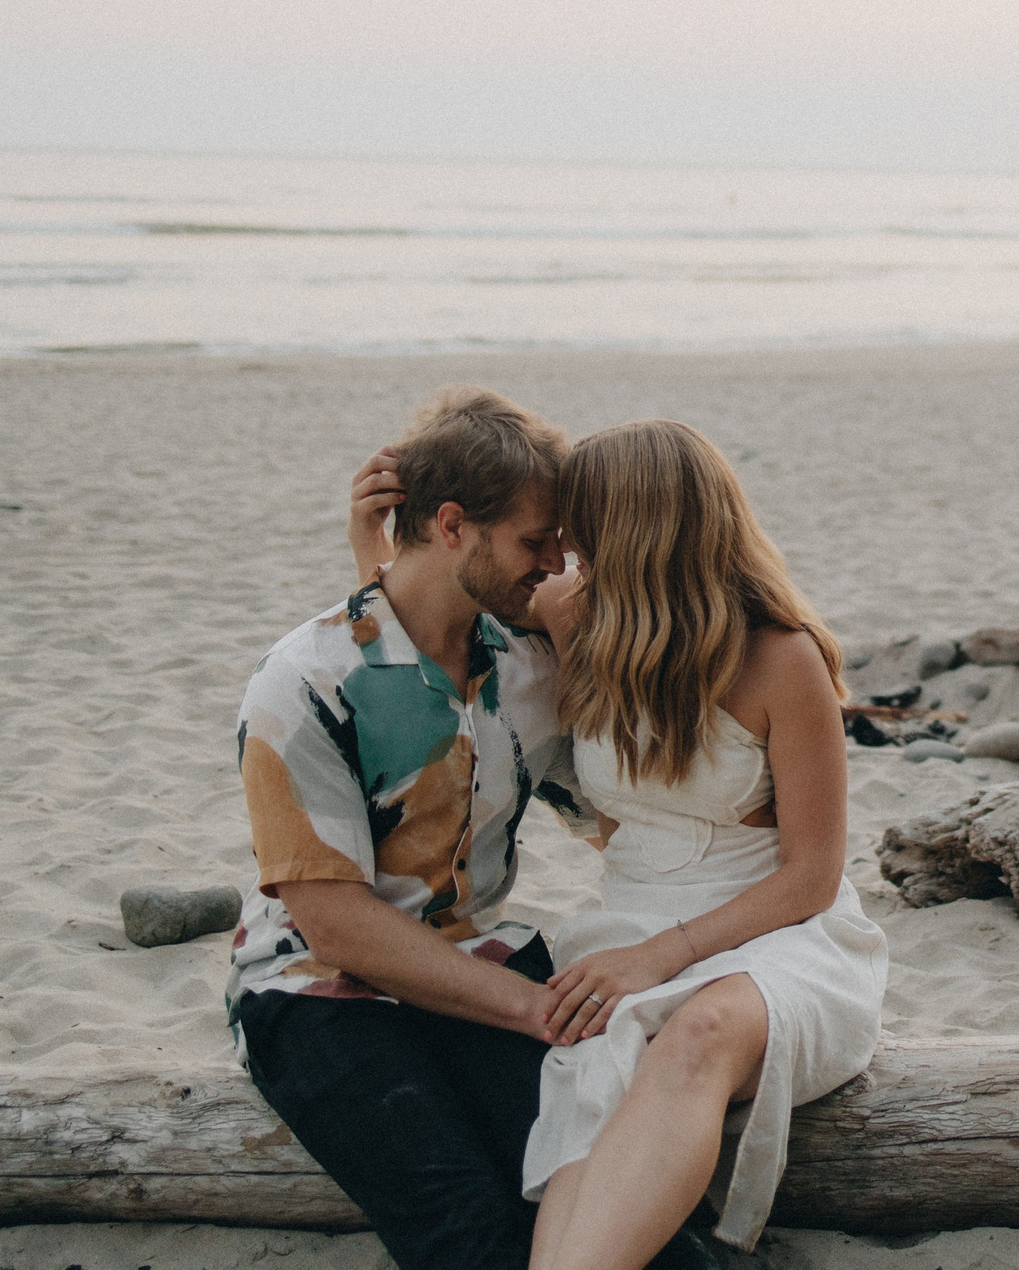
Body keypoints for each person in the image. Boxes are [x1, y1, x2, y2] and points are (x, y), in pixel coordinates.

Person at [368, 417, 887, 1268]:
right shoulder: (575, 618)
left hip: (782, 938)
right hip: (632, 922)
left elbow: (813, 877)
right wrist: (379, 542)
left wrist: (660, 956)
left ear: (642, 531)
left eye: (578, 531)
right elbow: (431, 640)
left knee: (698, 1030)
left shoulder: (781, 658)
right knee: (592, 1069)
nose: (560, 555)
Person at [227, 385, 590, 1270]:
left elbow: (622, 813)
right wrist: (535, 1009)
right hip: (317, 988)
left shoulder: (530, 670)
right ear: (455, 525)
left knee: (600, 1200)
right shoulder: (304, 681)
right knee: (466, 1231)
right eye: (536, 540)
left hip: (477, 959)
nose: (559, 561)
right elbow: (336, 920)